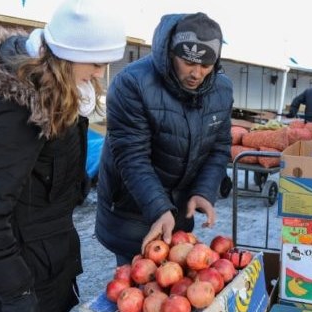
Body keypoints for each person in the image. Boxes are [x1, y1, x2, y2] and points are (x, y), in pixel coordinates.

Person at [0, 0, 126, 311]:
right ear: (71, 55)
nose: (100, 72)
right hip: (22, 272)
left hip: (49, 256)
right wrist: (18, 296)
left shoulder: (59, 90)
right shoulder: (14, 107)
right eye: (96, 62)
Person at [95, 12, 233, 265]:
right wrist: (159, 208)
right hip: (133, 208)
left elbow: (219, 148)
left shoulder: (222, 90)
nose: (197, 73)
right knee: (136, 279)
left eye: (206, 65)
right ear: (171, 52)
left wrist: (204, 190)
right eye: (188, 62)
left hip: (179, 210)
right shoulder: (132, 83)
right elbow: (132, 156)